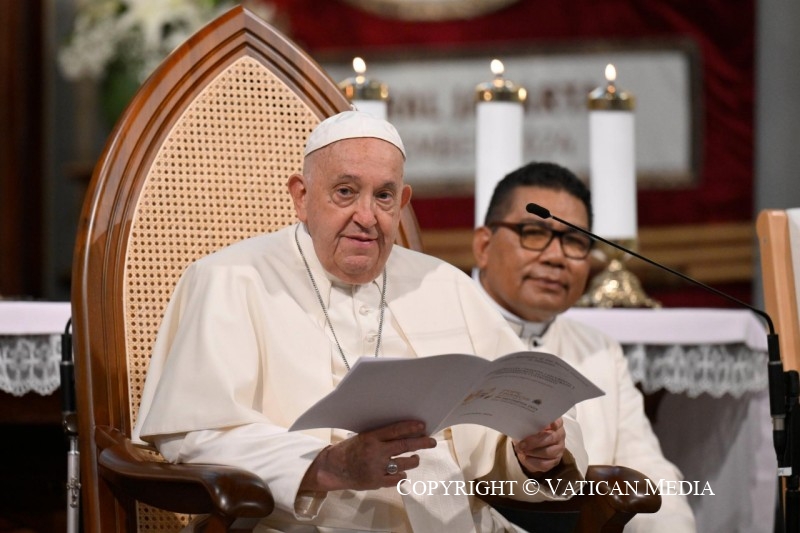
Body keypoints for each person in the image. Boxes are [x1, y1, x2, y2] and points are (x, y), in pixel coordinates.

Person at [132, 111, 588, 532]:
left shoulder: (443, 284)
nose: (367, 217)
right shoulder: (229, 279)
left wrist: (533, 454)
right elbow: (193, 438)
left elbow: (506, 432)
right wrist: (326, 465)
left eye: (384, 196)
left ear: (402, 201)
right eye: (346, 191)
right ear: (302, 196)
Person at [472, 161, 697, 532]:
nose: (556, 256)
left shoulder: (600, 350)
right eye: (533, 233)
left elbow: (647, 469)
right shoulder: (439, 331)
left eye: (575, 241)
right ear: (484, 245)